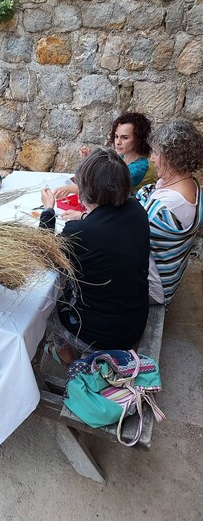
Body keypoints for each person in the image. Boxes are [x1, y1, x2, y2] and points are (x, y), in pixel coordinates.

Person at [40, 148, 150, 366]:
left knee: (45, 303)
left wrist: (48, 211)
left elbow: (44, 256)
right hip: (135, 319)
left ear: (86, 190)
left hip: (103, 335)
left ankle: (65, 356)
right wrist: (83, 216)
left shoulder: (81, 233)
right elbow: (109, 226)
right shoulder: (136, 209)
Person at [137, 120, 203, 306]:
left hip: (153, 289)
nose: (151, 158)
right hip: (168, 278)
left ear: (172, 157)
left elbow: (127, 241)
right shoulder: (192, 184)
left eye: (156, 153)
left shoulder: (167, 204)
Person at [54, 112, 157, 199]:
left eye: (125, 138)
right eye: (116, 136)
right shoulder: (123, 156)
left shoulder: (141, 167)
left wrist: (75, 189)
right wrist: (91, 156)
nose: (118, 142)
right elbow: (106, 169)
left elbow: (109, 185)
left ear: (139, 139)